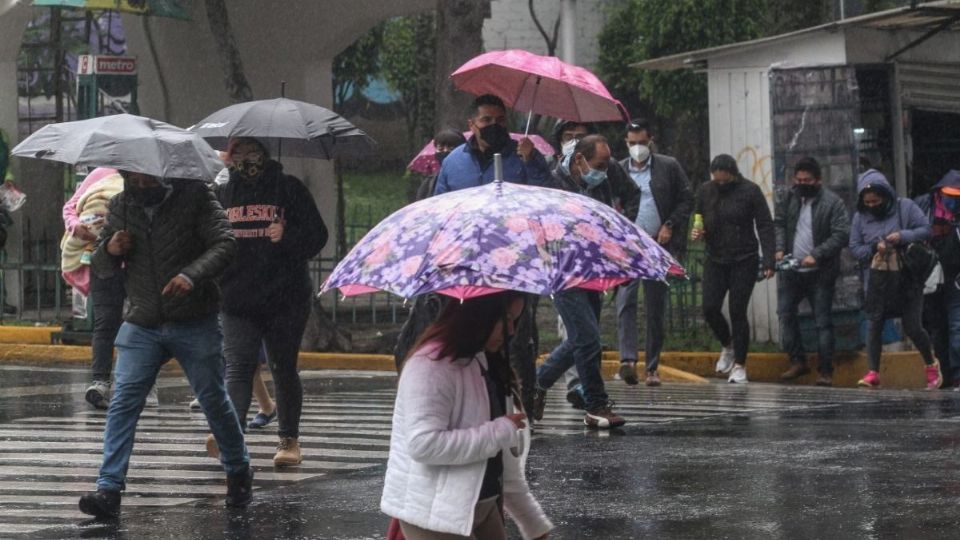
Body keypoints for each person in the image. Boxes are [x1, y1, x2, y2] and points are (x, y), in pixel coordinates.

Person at [79, 170, 250, 519]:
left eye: (148, 180)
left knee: (212, 398)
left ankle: (238, 469)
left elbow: (226, 243)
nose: (142, 186)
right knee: (124, 401)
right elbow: (100, 265)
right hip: (142, 320)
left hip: (194, 319)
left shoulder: (196, 197)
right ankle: (108, 488)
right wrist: (110, 249)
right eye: (134, 180)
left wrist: (192, 275)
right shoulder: (121, 205)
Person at [381, 291, 553, 540]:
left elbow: (504, 465)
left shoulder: (486, 363)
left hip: (481, 507)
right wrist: (498, 431)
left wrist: (533, 524)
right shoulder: (429, 365)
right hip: (435, 516)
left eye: (516, 320)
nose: (512, 331)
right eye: (507, 320)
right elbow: (423, 444)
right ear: (480, 315)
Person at [215, 137, 327, 466]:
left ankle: (289, 440)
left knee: (282, 367)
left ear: (265, 155)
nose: (247, 160)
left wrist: (287, 237)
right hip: (237, 297)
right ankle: (231, 440)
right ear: (229, 159)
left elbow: (318, 236)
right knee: (238, 367)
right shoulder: (222, 194)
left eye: (254, 153)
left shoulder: (289, 189)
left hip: (285, 297)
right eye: (240, 154)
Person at [532, 135, 639, 429]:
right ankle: (596, 404)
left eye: (606, 164)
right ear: (579, 160)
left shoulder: (606, 175)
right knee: (589, 338)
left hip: (594, 266)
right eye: (599, 164)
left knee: (582, 337)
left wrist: (620, 231)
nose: (604, 171)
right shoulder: (554, 183)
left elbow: (633, 193)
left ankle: (537, 383)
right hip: (563, 268)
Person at [62, 167, 163, 409]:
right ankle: (100, 382)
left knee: (143, 323)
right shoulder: (99, 175)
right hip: (104, 260)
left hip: (141, 264)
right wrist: (77, 226)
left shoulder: (155, 178)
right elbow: (70, 207)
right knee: (106, 322)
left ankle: (146, 384)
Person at [615, 119, 694, 387]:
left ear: (650, 141)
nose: (637, 148)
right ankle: (627, 361)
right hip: (629, 246)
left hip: (657, 245)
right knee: (625, 300)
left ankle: (651, 367)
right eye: (632, 143)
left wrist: (669, 224)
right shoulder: (618, 169)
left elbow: (686, 198)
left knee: (655, 306)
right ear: (626, 143)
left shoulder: (668, 167)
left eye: (641, 142)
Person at [850, 169, 941, 389]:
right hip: (878, 281)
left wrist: (903, 236)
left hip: (907, 280)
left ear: (886, 196)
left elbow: (926, 231)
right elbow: (855, 248)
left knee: (913, 326)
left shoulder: (905, 207)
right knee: (874, 323)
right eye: (868, 202)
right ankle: (873, 372)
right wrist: (874, 247)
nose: (872, 205)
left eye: (876, 201)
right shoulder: (860, 218)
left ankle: (931, 364)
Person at [691, 154, 776, 384]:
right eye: (716, 180)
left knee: (738, 310)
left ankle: (740, 364)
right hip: (715, 257)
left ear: (733, 174)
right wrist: (699, 231)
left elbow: (765, 224)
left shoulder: (750, 191)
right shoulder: (706, 191)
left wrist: (769, 259)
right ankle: (727, 344)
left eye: (724, 181)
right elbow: (699, 215)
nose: (720, 184)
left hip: (744, 259)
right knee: (710, 307)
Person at [774, 157, 850, 386]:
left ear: (817, 180)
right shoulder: (790, 197)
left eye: (807, 180)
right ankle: (797, 361)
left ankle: (826, 370)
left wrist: (816, 254)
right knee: (786, 314)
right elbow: (779, 222)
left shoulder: (832, 203)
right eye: (798, 180)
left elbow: (841, 234)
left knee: (822, 321)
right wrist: (779, 248)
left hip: (820, 272)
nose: (802, 184)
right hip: (792, 269)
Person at [433, 94, 550, 195]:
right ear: (471, 125)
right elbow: (441, 202)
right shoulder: (453, 162)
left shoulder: (525, 156)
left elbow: (546, 193)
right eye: (486, 120)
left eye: (500, 120)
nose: (494, 125)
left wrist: (531, 162)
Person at [916, 170, 960, 390]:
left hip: (955, 278)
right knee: (936, 327)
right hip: (931, 276)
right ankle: (945, 374)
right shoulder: (924, 205)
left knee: (956, 325)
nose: (952, 200)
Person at [415, 129, 467, 201]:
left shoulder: (471, 175)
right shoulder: (430, 181)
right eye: (440, 148)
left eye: (451, 148)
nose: (445, 151)